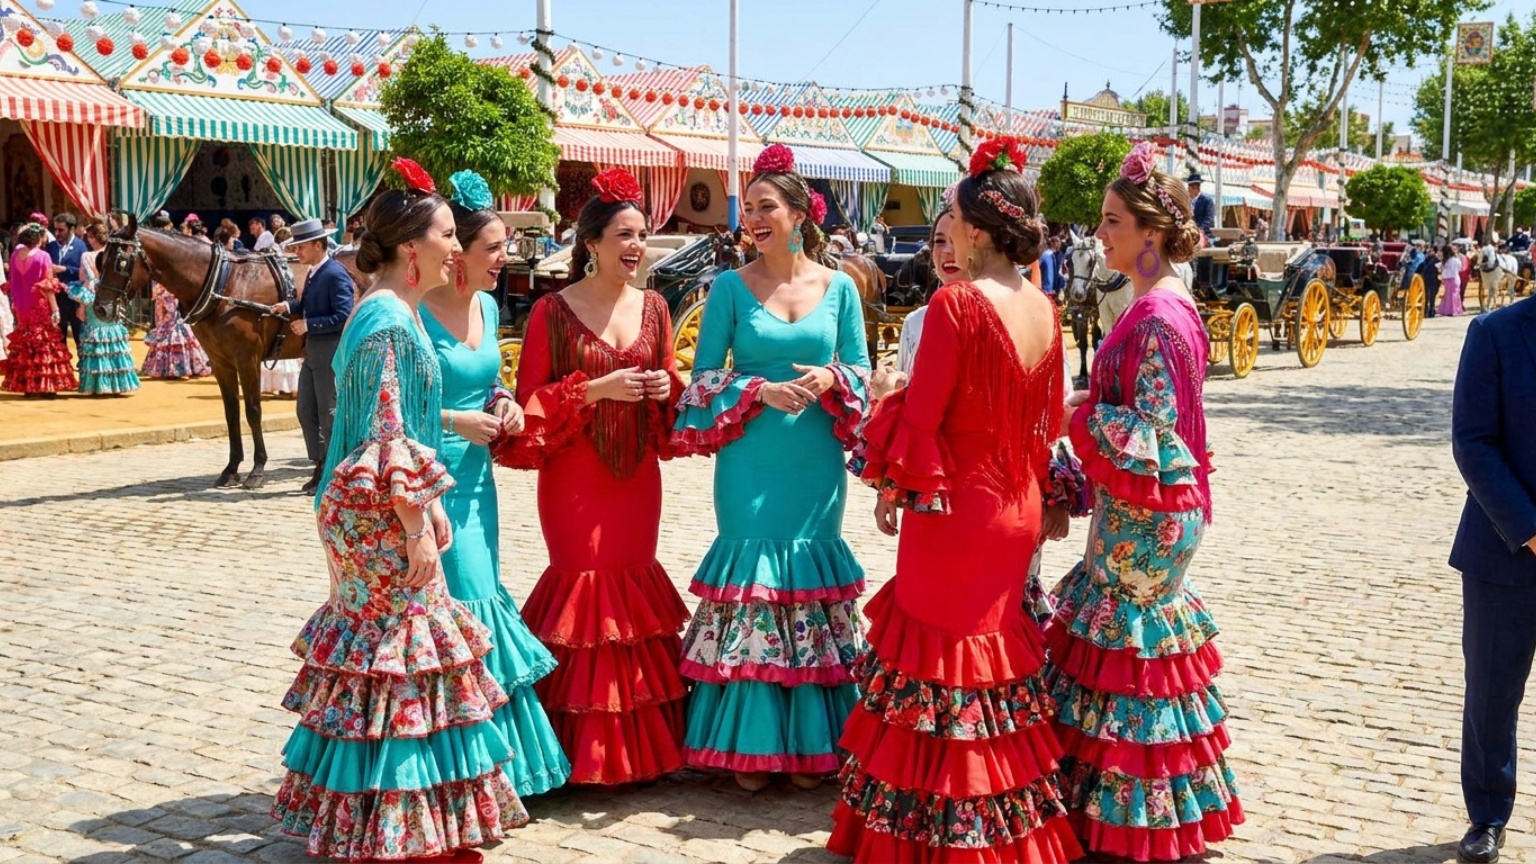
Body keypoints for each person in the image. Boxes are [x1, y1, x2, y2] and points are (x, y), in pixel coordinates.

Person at [826, 139, 1082, 864]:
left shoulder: (957, 303)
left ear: (976, 230)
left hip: (958, 512)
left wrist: (887, 405)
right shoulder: (1045, 307)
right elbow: (1046, 422)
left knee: (939, 669)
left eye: (949, 216)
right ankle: (1000, 833)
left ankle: (936, 839)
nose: (946, 228)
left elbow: (923, 421)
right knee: (993, 673)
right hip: (1017, 505)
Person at [271, 160, 527, 863]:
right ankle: (397, 831)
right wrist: (416, 524)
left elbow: (401, 433)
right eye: (448, 234)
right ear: (413, 247)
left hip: (374, 506)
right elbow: (388, 436)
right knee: (400, 656)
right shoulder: (387, 319)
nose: (458, 246)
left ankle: (384, 820)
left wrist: (425, 507)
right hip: (378, 514)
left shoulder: (390, 309)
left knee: (387, 660)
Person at [1048, 141, 1242, 861]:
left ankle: (1141, 823)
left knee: (1130, 656)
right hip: (1143, 506)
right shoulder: (1156, 299)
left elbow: (1154, 430)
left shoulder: (1158, 314)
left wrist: (1072, 412)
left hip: (1149, 515)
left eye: (1111, 221)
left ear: (1150, 234)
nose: (1099, 234)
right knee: (1127, 655)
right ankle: (1124, 812)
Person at [671, 144, 871, 792]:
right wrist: (756, 390)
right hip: (750, 463)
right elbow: (700, 380)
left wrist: (830, 376)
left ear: (798, 213)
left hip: (814, 463)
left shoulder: (840, 288)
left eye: (765, 207)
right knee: (755, 586)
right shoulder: (728, 287)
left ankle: (813, 743)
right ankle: (749, 746)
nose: (752, 218)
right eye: (747, 208)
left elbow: (863, 374)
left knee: (807, 588)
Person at [493, 168, 690, 786]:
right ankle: (578, 754)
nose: (636, 247)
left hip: (636, 475)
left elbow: (672, 397)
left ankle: (641, 754)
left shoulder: (656, 306)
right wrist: (598, 388)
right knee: (583, 589)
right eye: (625, 235)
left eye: (643, 235)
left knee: (633, 590)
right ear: (592, 242)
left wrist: (665, 387)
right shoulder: (551, 310)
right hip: (575, 476)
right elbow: (529, 404)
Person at [422, 169, 572, 797]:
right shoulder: (414, 309)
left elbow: (488, 379)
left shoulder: (487, 305)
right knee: (448, 608)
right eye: (494, 249)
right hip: (428, 474)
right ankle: (450, 769)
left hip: (479, 479)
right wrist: (457, 417)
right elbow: (387, 405)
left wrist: (505, 400)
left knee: (481, 595)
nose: (504, 259)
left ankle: (496, 769)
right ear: (457, 254)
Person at [1450, 292, 1536, 864]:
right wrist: (1530, 528)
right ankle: (1486, 815)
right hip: (1504, 551)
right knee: (1491, 694)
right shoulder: (1495, 331)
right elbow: (1473, 443)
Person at [272, 218, 356, 495]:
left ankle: (335, 472)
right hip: (313, 352)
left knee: (328, 414)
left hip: (330, 351)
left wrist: (309, 324)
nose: (297, 252)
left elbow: (344, 316)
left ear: (318, 245)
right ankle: (320, 465)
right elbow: (309, 305)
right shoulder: (314, 272)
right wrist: (289, 305)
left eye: (301, 246)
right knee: (306, 411)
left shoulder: (334, 273)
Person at [2, 223, 76, 397]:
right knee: (43, 343)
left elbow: (12, 282)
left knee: (26, 342)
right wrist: (55, 309)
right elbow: (47, 285)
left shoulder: (14, 256)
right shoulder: (43, 256)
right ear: (39, 239)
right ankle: (45, 385)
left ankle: (28, 385)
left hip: (21, 305)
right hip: (38, 303)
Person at [66, 222, 139, 396]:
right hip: (112, 299)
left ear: (92, 237)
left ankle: (100, 384)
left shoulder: (87, 256)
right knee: (112, 337)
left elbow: (86, 282)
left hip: (95, 300)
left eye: (89, 237)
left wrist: (82, 306)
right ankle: (117, 384)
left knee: (96, 338)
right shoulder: (114, 255)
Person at [140, 282, 211, 380]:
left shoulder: (163, 296)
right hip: (176, 322)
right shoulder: (170, 294)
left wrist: (162, 326)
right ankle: (191, 368)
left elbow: (166, 312)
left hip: (172, 323)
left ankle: (173, 370)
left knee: (174, 342)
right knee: (185, 342)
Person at [47, 212, 87, 354]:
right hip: (57, 299)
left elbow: (85, 272)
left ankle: (84, 368)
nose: (57, 233)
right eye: (55, 229)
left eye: (61, 230)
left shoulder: (81, 246)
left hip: (75, 298)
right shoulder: (51, 247)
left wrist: (64, 269)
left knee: (80, 336)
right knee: (59, 338)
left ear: (72, 229)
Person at [1187, 172, 1215, 242]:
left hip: (1203, 233)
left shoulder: (1206, 200)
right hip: (1188, 232)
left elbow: (1209, 219)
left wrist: (1199, 230)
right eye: (1190, 186)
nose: (1188, 189)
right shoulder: (1186, 200)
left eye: (1197, 186)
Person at [1439, 244, 1465, 317]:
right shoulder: (1456, 260)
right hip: (1454, 278)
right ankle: (1455, 310)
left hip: (1446, 279)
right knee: (1455, 294)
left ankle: (1447, 310)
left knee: (1448, 294)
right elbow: (1460, 268)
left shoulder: (1445, 261)